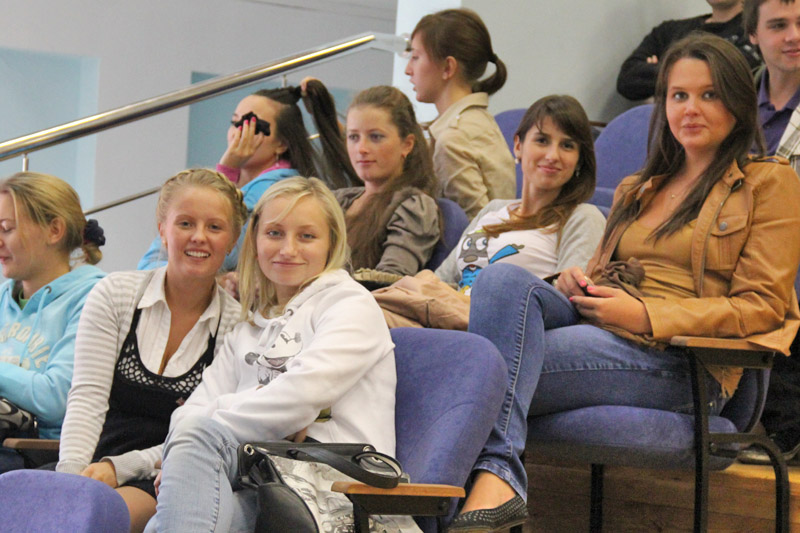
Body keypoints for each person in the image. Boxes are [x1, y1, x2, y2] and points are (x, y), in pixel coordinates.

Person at [451, 33, 800, 532]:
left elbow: (761, 307)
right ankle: (499, 472)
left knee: (472, 373)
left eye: (709, 94)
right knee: (502, 280)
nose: (690, 108)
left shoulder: (769, 182)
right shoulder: (639, 188)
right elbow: (599, 274)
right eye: (678, 95)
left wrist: (645, 315)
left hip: (681, 363)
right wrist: (574, 283)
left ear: (739, 103)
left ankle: (482, 480)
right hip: (602, 327)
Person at [144, 177, 397, 532]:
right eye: (275, 233)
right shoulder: (247, 329)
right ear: (255, 240)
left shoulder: (350, 305)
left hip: (336, 493)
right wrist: (190, 453)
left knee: (192, 457)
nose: (288, 249)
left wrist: (212, 426)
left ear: (331, 243)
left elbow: (299, 397)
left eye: (306, 236)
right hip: (263, 482)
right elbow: (190, 413)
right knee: (169, 510)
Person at [55, 169, 247, 532]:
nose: (199, 237)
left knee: (94, 520)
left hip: (167, 475)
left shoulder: (238, 326)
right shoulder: (115, 294)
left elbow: (202, 435)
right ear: (162, 229)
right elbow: (86, 398)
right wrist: (71, 480)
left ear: (233, 239)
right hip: (90, 466)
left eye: (215, 227)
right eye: (185, 223)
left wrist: (119, 469)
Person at [137, 82, 356, 272]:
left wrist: (225, 170)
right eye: (235, 123)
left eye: (252, 126)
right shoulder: (246, 186)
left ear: (282, 143)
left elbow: (165, 262)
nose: (239, 134)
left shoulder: (272, 193)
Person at [433, 95, 605, 296]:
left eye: (567, 145)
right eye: (542, 141)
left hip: (502, 313)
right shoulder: (493, 209)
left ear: (579, 160)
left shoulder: (583, 218)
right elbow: (439, 280)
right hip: (448, 307)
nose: (552, 156)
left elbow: (565, 301)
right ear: (518, 146)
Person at [0, 172, 106, 473]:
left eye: (7, 229)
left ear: (54, 230)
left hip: (41, 455)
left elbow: (57, 399)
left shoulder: (94, 296)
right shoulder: (4, 296)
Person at [738, 0, 800, 463]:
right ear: (753, 35)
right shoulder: (730, 103)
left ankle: (787, 428)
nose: (794, 35)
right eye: (779, 25)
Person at [405, 8, 515, 218]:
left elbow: (478, 227)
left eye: (416, 57)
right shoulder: (475, 121)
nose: (408, 70)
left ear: (448, 68)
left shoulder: (453, 139)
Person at [335, 85, 441, 276]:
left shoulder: (413, 208)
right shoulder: (337, 200)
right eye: (353, 137)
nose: (361, 148)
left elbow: (389, 281)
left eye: (375, 137)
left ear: (407, 144)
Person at [617, 0, 762, 101]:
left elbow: (735, 76)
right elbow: (627, 81)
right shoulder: (668, 31)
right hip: (668, 129)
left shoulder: (758, 30)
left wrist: (661, 68)